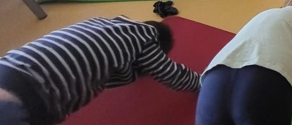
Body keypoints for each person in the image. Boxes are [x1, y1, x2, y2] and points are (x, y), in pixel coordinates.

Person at [0, 17, 200, 124]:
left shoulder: (107, 24)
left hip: (12, 64)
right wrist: (202, 81)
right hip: (37, 94)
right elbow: (174, 76)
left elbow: (98, 58)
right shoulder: (146, 41)